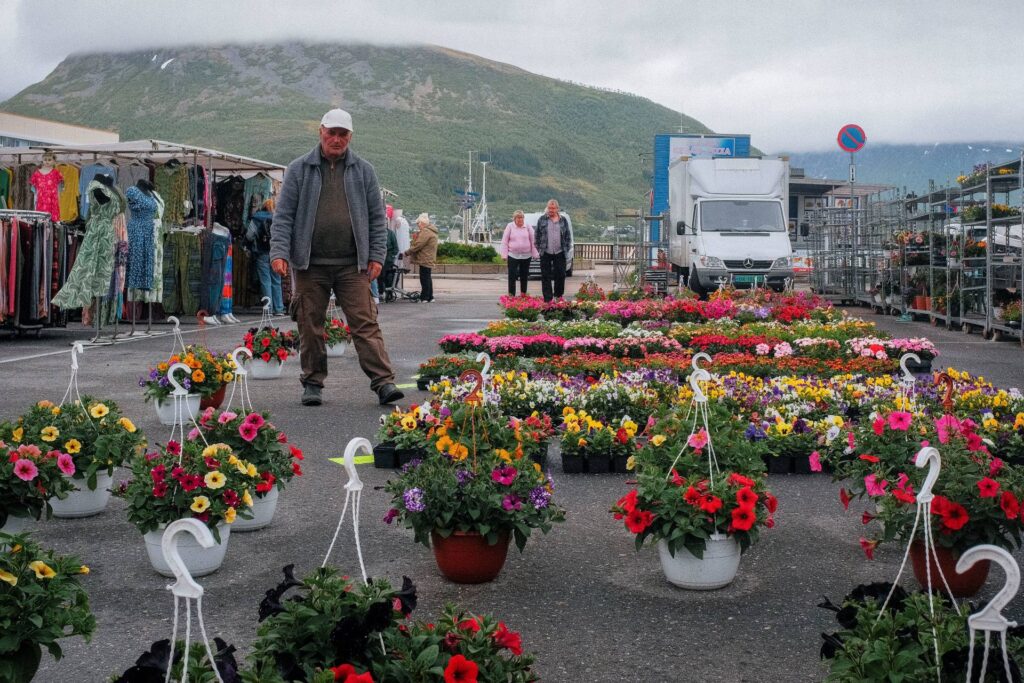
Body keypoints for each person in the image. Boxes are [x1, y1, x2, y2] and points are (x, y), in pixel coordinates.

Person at [269, 108, 404, 407]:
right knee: (309, 323)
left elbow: (376, 219)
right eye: (332, 132)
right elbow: (284, 216)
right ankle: (313, 383)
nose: (337, 139)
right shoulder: (299, 169)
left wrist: (378, 256)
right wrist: (278, 251)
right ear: (320, 131)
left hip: (352, 264)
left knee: (365, 323)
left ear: (350, 137)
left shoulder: (364, 170)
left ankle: (383, 382)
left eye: (343, 134)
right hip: (309, 264)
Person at [247, 198, 285, 315]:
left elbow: (249, 235)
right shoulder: (278, 218)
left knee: (265, 281)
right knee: (276, 281)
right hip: (276, 253)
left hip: (261, 252)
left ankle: (268, 308)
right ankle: (278, 309)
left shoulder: (257, 218)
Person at [534, 198, 572, 302]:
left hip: (560, 252)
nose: (551, 210)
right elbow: (536, 235)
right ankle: (548, 298)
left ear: (557, 209)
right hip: (545, 252)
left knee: (560, 275)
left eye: (553, 208)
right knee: (545, 276)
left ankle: (558, 296)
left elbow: (568, 236)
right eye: (549, 208)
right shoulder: (541, 219)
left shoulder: (563, 220)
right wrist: (539, 248)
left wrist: (567, 248)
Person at [500, 210, 538, 296]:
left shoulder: (528, 226)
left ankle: (523, 294)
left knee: (524, 276)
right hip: (512, 255)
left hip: (526, 256)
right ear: (514, 219)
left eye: (521, 217)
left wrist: (535, 253)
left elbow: (533, 241)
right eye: (518, 218)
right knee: (512, 276)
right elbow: (505, 241)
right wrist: (504, 255)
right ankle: (511, 295)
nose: (520, 219)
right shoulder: (510, 226)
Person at [406, 212, 438, 303]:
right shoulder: (432, 231)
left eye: (418, 224)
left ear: (422, 223)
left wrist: (407, 252)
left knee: (424, 278)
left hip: (424, 258)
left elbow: (418, 245)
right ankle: (430, 296)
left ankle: (424, 297)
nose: (418, 226)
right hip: (429, 257)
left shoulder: (426, 231)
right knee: (428, 277)